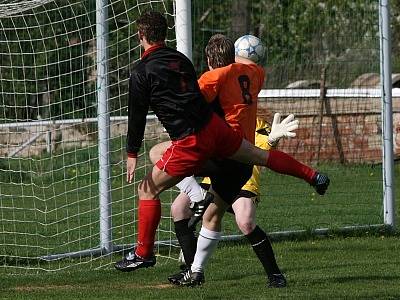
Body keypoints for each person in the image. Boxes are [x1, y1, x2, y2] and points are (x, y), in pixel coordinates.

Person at [114, 11, 299, 273]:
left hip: (228, 161)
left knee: (240, 220)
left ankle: (272, 274)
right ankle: (193, 270)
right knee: (181, 209)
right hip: (221, 156)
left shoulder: (210, 85)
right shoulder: (233, 81)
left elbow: (147, 113)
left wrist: (134, 150)